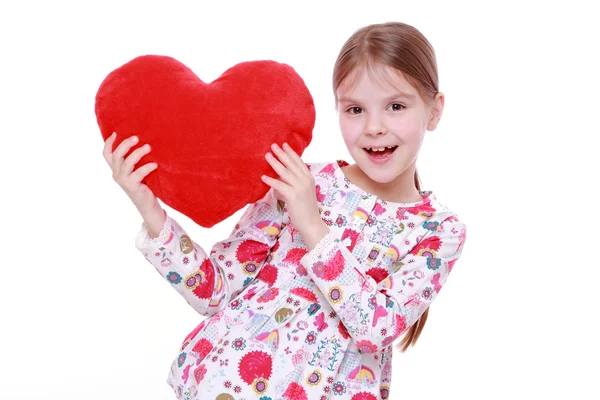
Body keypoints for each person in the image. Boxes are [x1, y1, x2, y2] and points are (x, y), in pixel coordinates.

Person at [103, 21, 467, 400]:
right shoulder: (298, 180)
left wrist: (311, 224)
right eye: (355, 109)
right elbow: (215, 291)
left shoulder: (437, 231)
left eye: (396, 106)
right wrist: (150, 210)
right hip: (223, 386)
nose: (374, 127)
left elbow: (376, 327)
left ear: (434, 110)